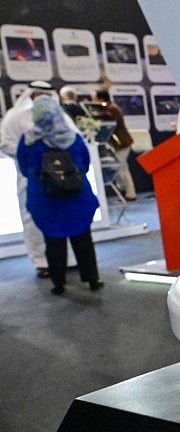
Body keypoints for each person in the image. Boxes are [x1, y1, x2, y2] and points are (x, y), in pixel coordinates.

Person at [16, 96, 103, 295]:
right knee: (83, 239)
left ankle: (58, 283)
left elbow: (24, 168)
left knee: (53, 241)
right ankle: (92, 279)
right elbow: (85, 164)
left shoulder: (28, 140)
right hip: (77, 197)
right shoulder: (72, 138)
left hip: (44, 199)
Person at [1, 80, 61, 277]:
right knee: (32, 219)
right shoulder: (15, 117)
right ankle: (41, 262)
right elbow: (5, 143)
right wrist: (29, 156)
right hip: (31, 176)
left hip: (58, 174)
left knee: (60, 215)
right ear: (32, 95)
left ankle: (65, 259)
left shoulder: (58, 113)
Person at [90, 89, 136, 201]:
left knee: (120, 169)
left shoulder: (112, 109)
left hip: (122, 143)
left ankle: (129, 194)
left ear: (101, 99)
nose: (93, 101)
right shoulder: (108, 108)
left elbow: (108, 118)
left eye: (94, 99)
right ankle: (127, 193)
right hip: (117, 144)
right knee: (121, 169)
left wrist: (94, 114)